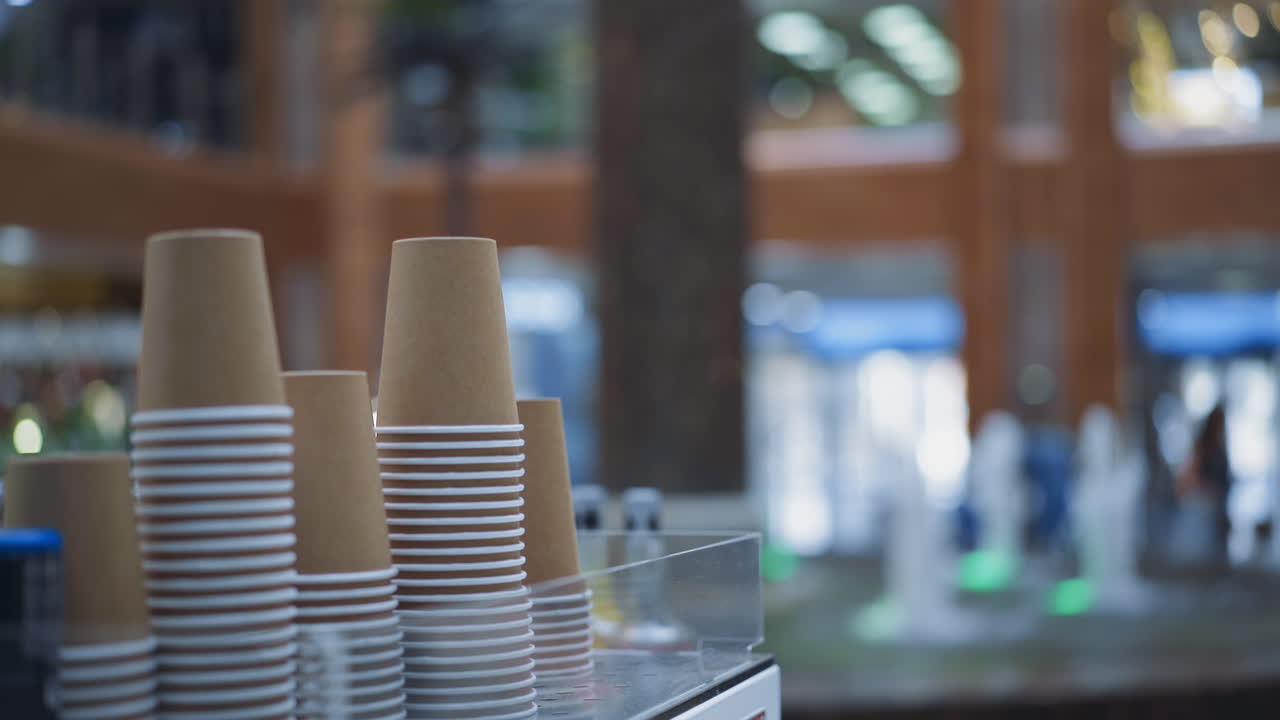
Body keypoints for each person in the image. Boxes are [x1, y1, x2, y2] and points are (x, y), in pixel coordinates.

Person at [1176, 404, 1231, 566]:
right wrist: (1207, 489)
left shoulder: (1220, 447)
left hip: (1216, 509)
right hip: (1201, 509)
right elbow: (1186, 482)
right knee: (1199, 558)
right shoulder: (1201, 447)